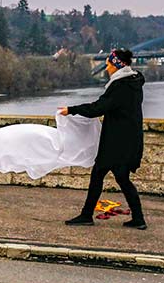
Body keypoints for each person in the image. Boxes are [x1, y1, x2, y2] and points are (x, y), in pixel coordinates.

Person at [59, 48, 147, 229]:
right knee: (120, 178)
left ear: (117, 65)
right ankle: (138, 219)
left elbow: (98, 108)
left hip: (117, 142)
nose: (106, 68)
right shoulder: (133, 82)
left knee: (100, 175)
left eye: (108, 65)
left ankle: (86, 215)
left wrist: (71, 110)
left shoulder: (121, 86)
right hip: (129, 139)